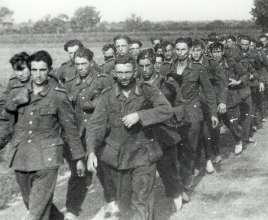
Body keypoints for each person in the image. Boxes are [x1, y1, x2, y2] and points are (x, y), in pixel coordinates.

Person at [86, 54, 173, 220]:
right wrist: (90, 151)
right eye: (120, 72)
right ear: (114, 73)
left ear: (135, 71)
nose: (124, 77)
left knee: (142, 200)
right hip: (118, 158)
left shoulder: (147, 90)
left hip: (143, 155)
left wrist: (140, 115)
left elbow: (167, 110)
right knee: (124, 205)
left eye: (128, 72)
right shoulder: (107, 96)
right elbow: (95, 125)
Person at [1, 50, 85, 220]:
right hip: (22, 157)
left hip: (47, 159)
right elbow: (6, 124)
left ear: (49, 70)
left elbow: (71, 130)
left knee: (36, 212)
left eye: (42, 70)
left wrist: (78, 158)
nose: (38, 75)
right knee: (32, 203)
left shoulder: (58, 96)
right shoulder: (17, 92)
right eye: (34, 70)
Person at [64, 47, 116, 220]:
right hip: (79, 135)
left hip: (100, 133)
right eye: (77, 64)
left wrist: (89, 103)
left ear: (91, 63)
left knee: (104, 170)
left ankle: (112, 202)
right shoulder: (70, 83)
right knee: (78, 173)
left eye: (84, 64)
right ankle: (72, 210)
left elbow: (107, 105)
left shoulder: (104, 80)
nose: (80, 68)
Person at [136, 48, 188, 211]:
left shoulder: (168, 84)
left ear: (154, 65)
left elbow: (179, 104)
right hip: (143, 133)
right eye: (141, 66)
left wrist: (174, 120)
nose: (144, 70)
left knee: (168, 168)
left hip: (165, 132)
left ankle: (177, 193)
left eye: (148, 66)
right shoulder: (136, 86)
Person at [169, 37, 218, 190]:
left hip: (192, 112)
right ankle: (182, 174)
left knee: (189, 146)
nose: (180, 52)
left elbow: (209, 92)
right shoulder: (169, 68)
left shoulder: (197, 68)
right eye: (178, 49)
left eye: (184, 49)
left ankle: (186, 178)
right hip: (174, 113)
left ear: (189, 50)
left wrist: (213, 113)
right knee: (177, 147)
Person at [191, 39, 227, 175]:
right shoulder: (187, 65)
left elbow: (223, 83)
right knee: (195, 134)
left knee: (209, 132)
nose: (195, 53)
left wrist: (222, 101)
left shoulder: (212, 64)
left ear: (203, 50)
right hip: (193, 103)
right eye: (193, 50)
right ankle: (196, 163)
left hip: (209, 101)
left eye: (198, 49)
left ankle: (210, 157)